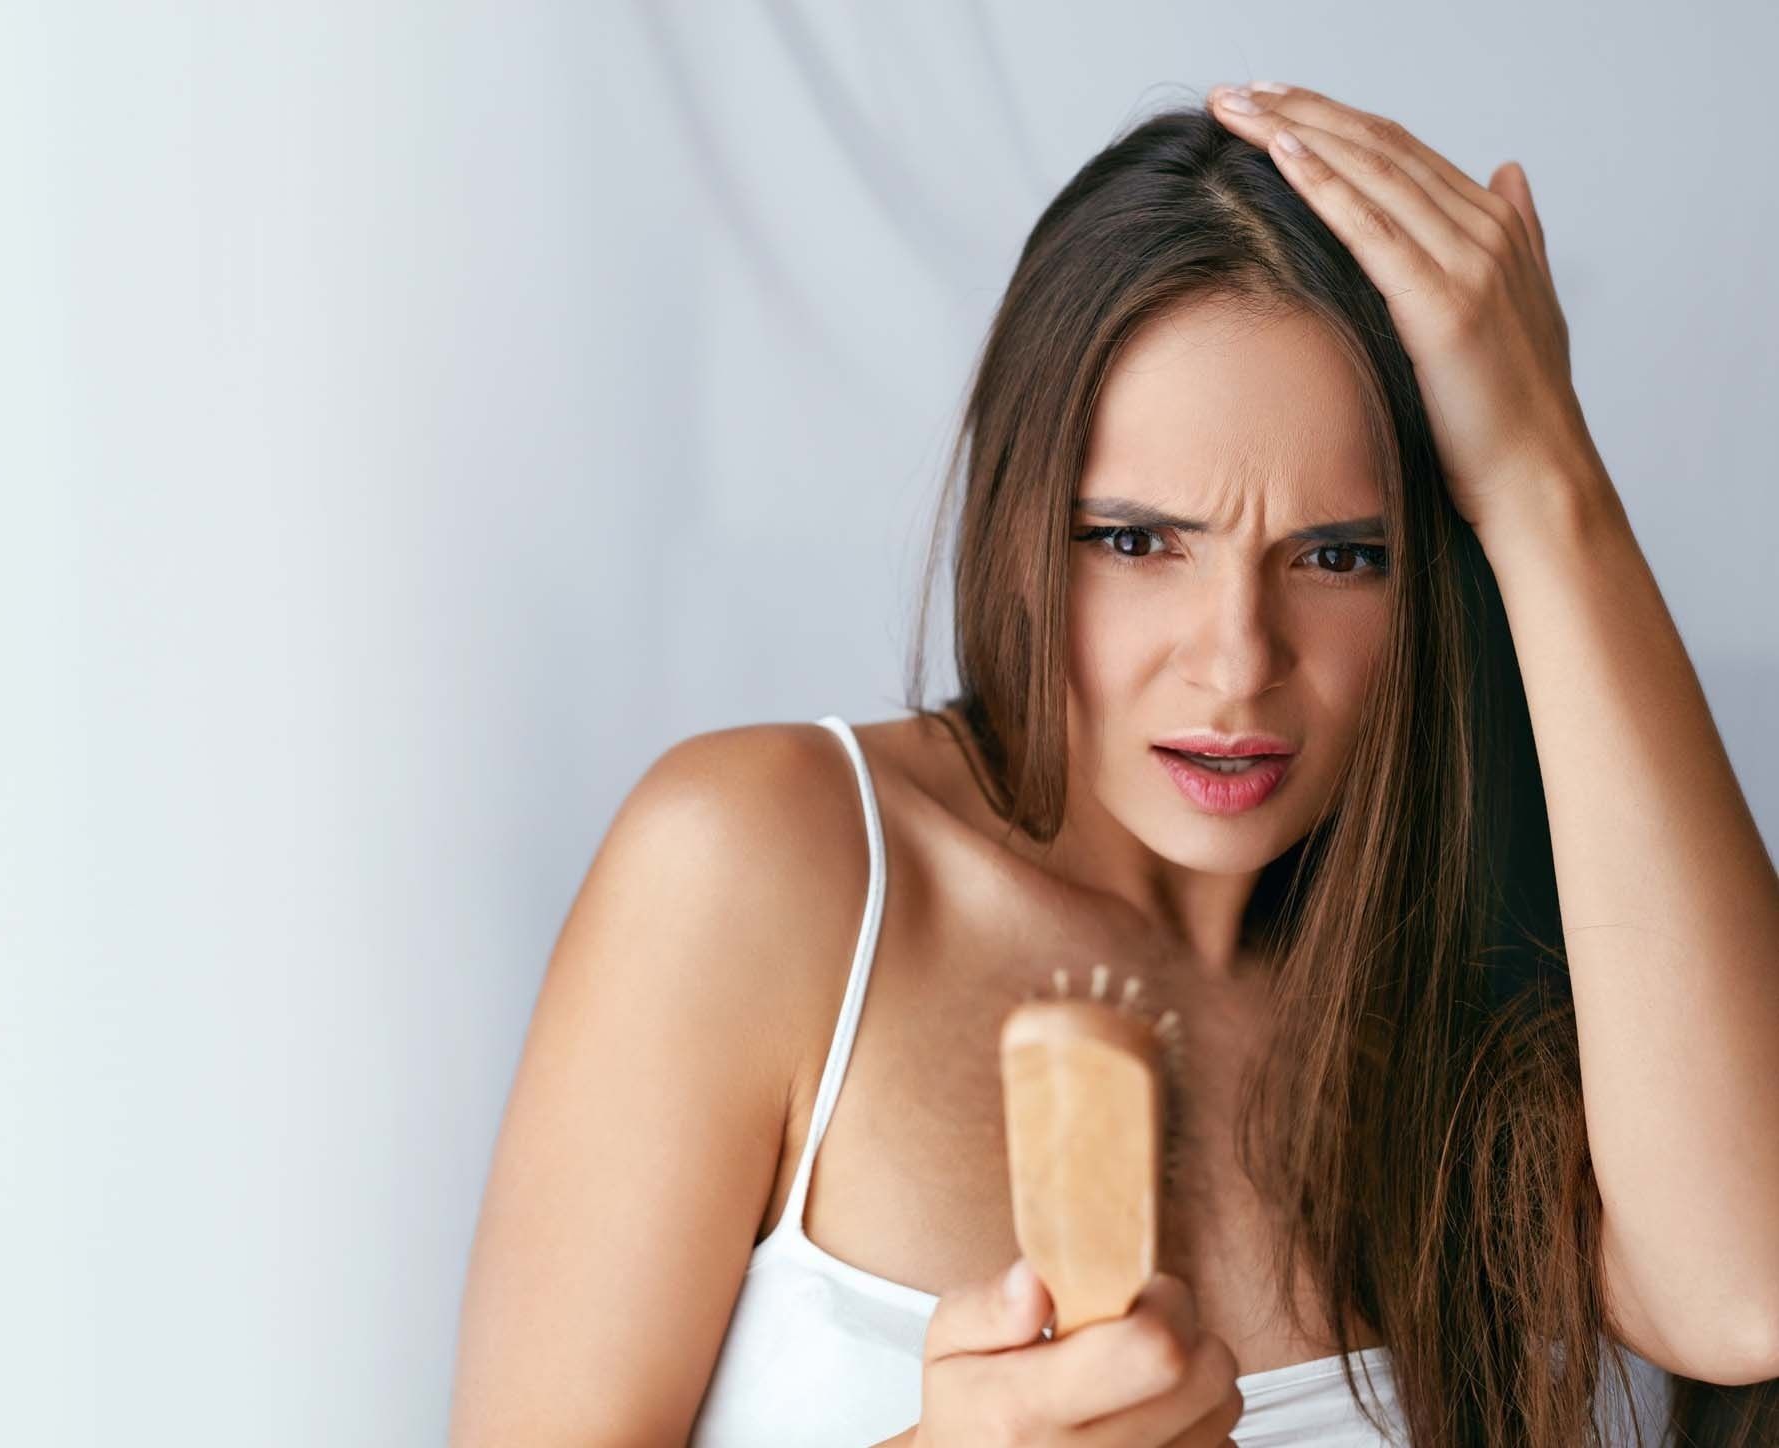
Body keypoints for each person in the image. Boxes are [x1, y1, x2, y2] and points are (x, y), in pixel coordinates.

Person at [449, 84, 1779, 1446]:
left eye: (1339, 555)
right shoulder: (768, 865)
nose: (1236, 662)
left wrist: (1545, 475)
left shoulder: (1483, 961)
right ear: (1023, 523)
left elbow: (1743, 1293)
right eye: (1140, 542)